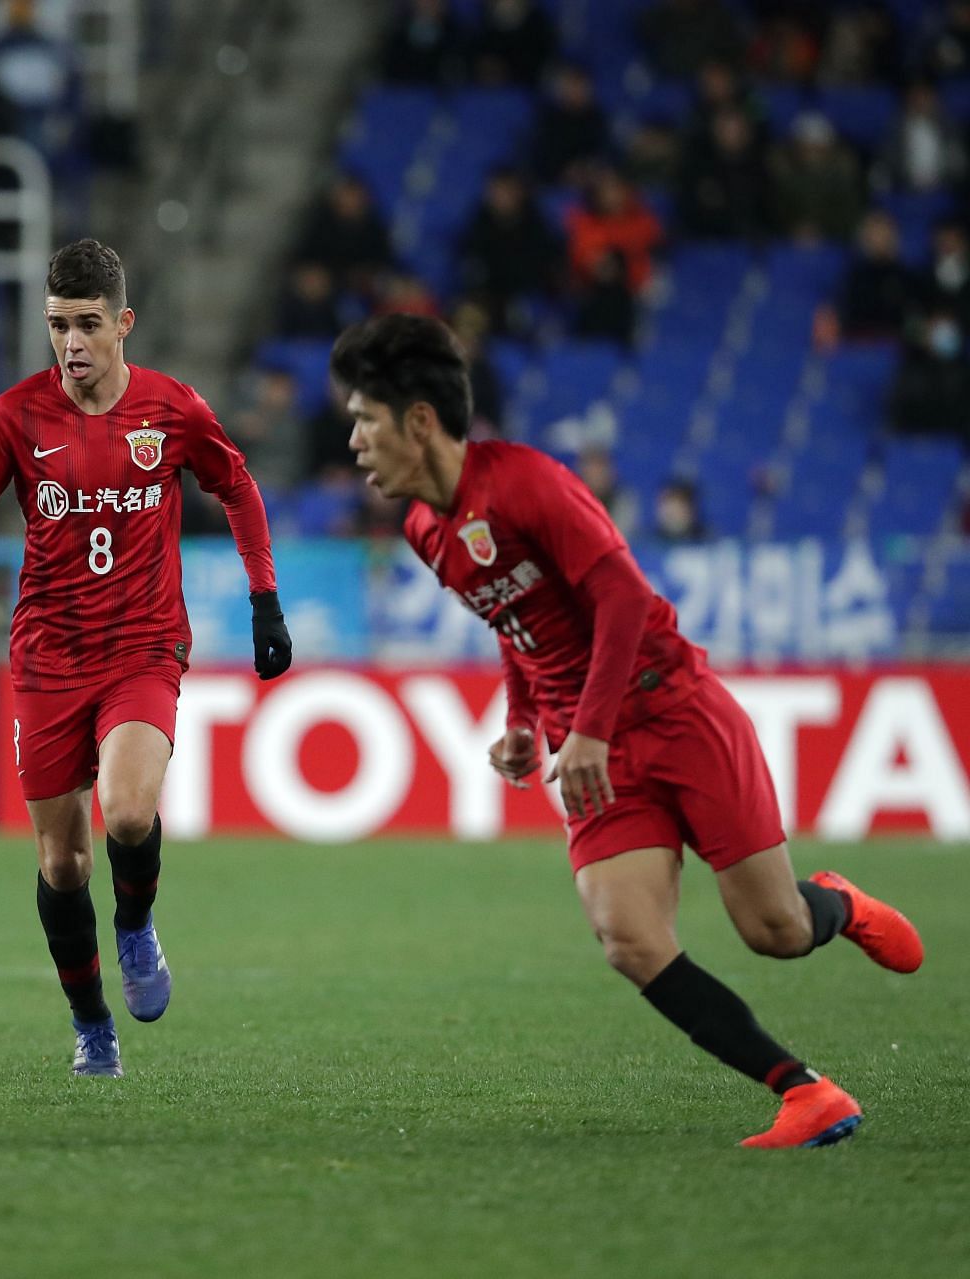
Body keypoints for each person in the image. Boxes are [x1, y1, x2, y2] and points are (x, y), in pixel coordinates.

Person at [335, 313, 923, 1149]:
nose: (353, 439)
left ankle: (840, 904)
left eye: (365, 417)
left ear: (419, 420)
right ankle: (804, 1090)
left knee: (777, 932)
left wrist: (592, 731)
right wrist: (524, 721)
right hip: (590, 746)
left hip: (670, 709)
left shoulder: (529, 484)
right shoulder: (427, 531)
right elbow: (513, 616)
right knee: (627, 935)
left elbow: (622, 598)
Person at [0, 240, 293, 1077]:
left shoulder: (172, 409)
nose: (72, 342)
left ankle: (136, 922)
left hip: (142, 648)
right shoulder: (15, 415)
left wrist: (264, 596)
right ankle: (92, 1026)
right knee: (61, 860)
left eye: (88, 324)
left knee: (125, 813)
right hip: (48, 656)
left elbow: (237, 488)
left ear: (123, 323)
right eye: (58, 326)